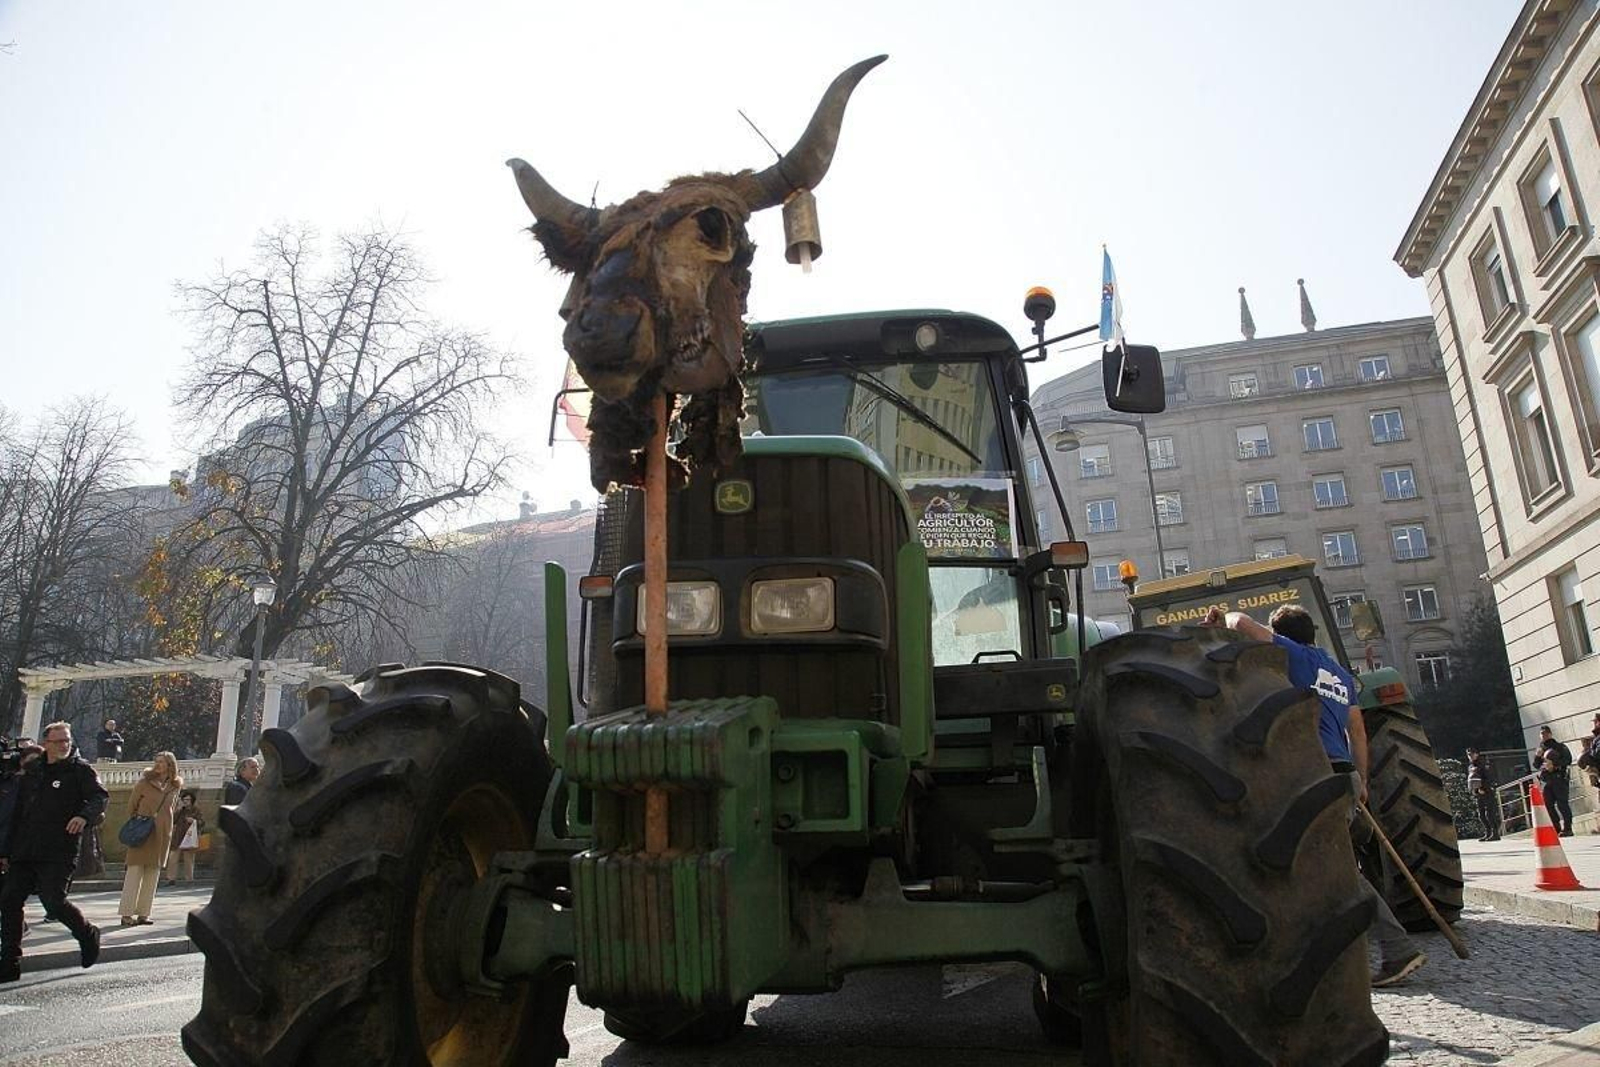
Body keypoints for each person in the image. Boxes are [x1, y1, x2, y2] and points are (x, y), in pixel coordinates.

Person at [1204, 604, 1426, 988]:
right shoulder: (1337, 672)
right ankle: (1338, 951)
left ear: (1284, 636)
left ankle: (1397, 948)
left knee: (1334, 868)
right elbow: (1357, 730)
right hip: (1345, 772)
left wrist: (1224, 618)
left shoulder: (1297, 657)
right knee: (1324, 866)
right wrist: (1362, 778)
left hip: (1315, 773)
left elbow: (1242, 624)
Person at [0, 722, 107, 983]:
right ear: (46, 743)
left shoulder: (79, 770)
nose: (63, 745)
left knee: (54, 902)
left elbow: (98, 798)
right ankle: (9, 963)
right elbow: (17, 812)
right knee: (9, 900)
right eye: (58, 741)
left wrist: (83, 816)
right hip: (25, 849)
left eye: (66, 740)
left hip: (58, 850)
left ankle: (87, 934)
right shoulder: (32, 772)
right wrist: (5, 850)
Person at [119, 751, 181, 926]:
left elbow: (172, 809)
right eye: (157, 761)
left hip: (162, 833)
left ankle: (144, 913)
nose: (158, 765)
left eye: (162, 762)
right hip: (142, 830)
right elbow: (131, 806)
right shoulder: (144, 782)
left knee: (153, 874)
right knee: (134, 871)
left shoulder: (175, 785)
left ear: (170, 765)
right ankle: (126, 913)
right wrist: (140, 822)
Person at [1532, 726, 1574, 837]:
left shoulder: (1559, 746)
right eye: (1541, 734)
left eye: (1545, 733)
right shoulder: (1540, 749)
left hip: (1559, 778)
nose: (1543, 735)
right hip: (1546, 781)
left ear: (1550, 734)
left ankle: (1568, 828)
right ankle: (1556, 828)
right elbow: (1536, 765)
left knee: (1562, 804)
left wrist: (1554, 765)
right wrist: (1537, 756)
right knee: (1548, 805)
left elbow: (1568, 760)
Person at [163, 790, 204, 886]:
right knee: (172, 858)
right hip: (178, 837)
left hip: (189, 837)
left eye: (188, 800)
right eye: (184, 799)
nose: (186, 801)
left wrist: (194, 821)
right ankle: (171, 878)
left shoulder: (196, 810)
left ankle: (189, 879)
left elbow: (202, 822)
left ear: (192, 800)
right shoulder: (181, 810)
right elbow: (172, 820)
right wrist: (178, 809)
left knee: (189, 859)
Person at [1465, 748, 1501, 841]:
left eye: (1472, 754)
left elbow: (1488, 778)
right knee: (1481, 815)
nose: (1470, 756)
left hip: (1487, 791)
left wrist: (1483, 788)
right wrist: (1474, 790)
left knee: (1489, 813)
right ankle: (1488, 833)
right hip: (1477, 793)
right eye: (1469, 755)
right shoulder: (1470, 766)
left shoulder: (1483, 764)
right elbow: (1472, 780)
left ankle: (1495, 833)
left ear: (1477, 754)